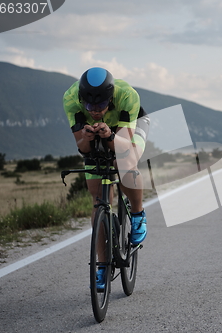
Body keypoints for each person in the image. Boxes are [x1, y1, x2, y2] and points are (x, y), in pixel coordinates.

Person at [63, 67, 149, 287]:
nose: (95, 111)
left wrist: (109, 135)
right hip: (100, 134)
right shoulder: (71, 99)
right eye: (89, 106)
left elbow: (125, 148)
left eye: (100, 105)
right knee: (97, 198)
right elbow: (82, 149)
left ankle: (138, 216)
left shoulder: (127, 96)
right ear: (82, 99)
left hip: (129, 127)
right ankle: (101, 266)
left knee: (125, 162)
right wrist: (86, 137)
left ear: (110, 99)